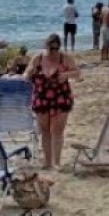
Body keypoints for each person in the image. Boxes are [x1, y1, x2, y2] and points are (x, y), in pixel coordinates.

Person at [27, 34, 80, 170]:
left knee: (57, 131)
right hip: (41, 98)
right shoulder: (38, 58)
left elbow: (77, 73)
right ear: (46, 47)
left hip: (60, 97)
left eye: (56, 48)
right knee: (45, 131)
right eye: (51, 49)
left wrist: (67, 75)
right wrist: (30, 73)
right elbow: (26, 76)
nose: (54, 52)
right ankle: (47, 162)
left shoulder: (64, 58)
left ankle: (57, 162)